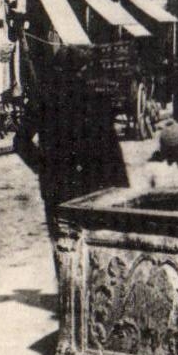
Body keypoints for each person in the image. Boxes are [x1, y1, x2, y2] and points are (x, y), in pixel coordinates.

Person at [13, 46, 129, 250]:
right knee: (92, 247)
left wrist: (44, 167)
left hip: (57, 186)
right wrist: (121, 186)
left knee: (63, 247)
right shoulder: (93, 96)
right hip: (92, 185)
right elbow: (111, 148)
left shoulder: (42, 97)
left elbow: (20, 141)